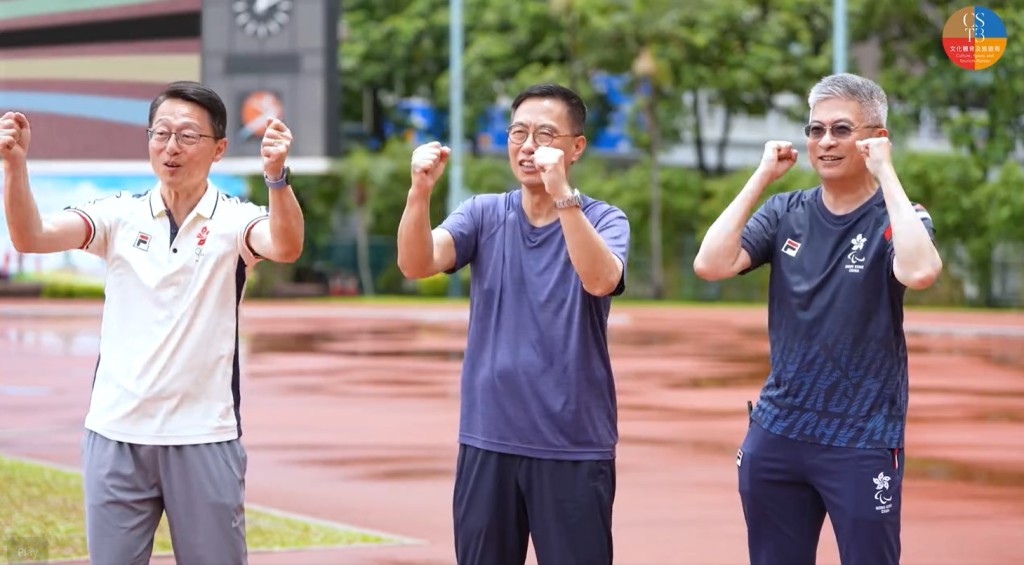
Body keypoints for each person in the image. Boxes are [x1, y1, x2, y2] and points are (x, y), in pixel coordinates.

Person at [0, 81, 305, 564]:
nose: (171, 147)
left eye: (188, 136)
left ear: (219, 149)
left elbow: (286, 246)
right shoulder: (119, 214)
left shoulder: (235, 220)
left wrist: (276, 178)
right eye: (161, 133)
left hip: (203, 435)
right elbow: (31, 236)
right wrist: (15, 166)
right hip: (115, 434)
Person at [694, 72, 943, 565]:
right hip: (778, 433)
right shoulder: (785, 211)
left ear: (875, 138)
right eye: (815, 129)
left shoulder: (900, 217)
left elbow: (919, 272)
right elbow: (711, 264)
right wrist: (761, 177)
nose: (825, 141)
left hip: (861, 438)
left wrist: (886, 174)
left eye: (841, 129)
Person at [397, 83, 630, 565]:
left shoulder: (606, 220)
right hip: (488, 440)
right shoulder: (483, 214)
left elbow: (600, 279)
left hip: (572, 446)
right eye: (518, 133)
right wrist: (419, 192)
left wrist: (561, 194)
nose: (527, 146)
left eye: (544, 135)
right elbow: (416, 263)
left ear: (576, 147)